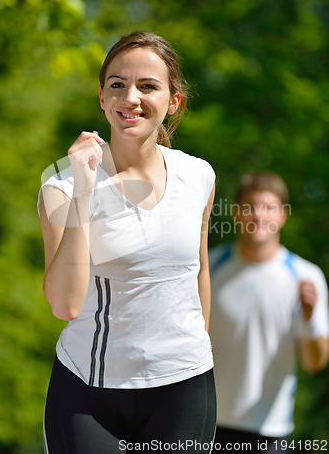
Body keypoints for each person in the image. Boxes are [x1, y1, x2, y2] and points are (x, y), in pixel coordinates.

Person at [38, 31, 217, 453]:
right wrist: (85, 189)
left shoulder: (199, 176)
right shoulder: (61, 186)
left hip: (185, 389)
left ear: (173, 101)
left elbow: (199, 271)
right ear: (102, 97)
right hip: (89, 392)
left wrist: (192, 351)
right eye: (117, 84)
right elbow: (64, 305)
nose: (130, 97)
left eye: (148, 86)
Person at [209, 171, 329, 453]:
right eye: (250, 207)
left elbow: (315, 363)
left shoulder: (305, 276)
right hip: (207, 424)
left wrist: (309, 319)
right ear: (236, 213)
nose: (259, 216)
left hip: (270, 432)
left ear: (283, 216)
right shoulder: (209, 268)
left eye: (269, 208)